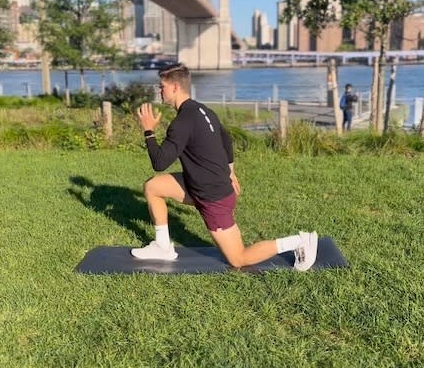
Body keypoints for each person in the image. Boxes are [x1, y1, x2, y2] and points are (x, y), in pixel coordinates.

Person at [131, 64, 318, 271]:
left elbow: (159, 162)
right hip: (202, 184)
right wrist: (231, 171)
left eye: (162, 86)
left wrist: (148, 131)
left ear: (175, 87)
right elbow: (226, 139)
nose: (159, 90)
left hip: (212, 197)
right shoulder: (203, 110)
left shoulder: (182, 121)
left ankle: (298, 242)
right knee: (153, 187)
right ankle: (163, 246)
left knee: (238, 259)